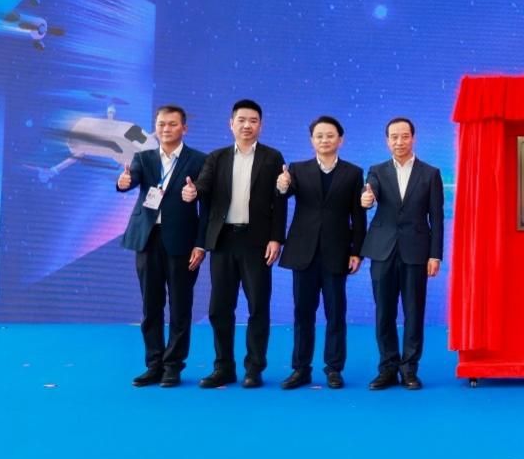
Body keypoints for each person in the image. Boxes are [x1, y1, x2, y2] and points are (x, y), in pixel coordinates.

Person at [182, 99, 286, 389]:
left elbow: (279, 202)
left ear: (261, 125)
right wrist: (193, 191)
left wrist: (276, 238)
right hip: (224, 240)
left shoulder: (272, 157)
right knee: (219, 308)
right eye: (241, 120)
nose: (247, 125)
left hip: (257, 242)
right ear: (231, 124)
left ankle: (254, 369)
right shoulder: (217, 157)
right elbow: (203, 187)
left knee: (258, 307)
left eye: (253, 120)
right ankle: (223, 367)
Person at [116, 105, 207, 388]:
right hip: (147, 240)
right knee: (151, 306)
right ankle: (154, 364)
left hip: (182, 241)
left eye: (172, 124)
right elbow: (131, 180)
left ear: (184, 128)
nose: (166, 129)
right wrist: (123, 182)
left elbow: (208, 204)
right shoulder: (143, 158)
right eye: (161, 124)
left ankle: (173, 366)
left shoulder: (199, 160)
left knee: (180, 306)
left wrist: (201, 243)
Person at [275, 115, 367, 390]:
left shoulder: (353, 172)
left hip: (337, 252)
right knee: (303, 313)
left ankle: (334, 369)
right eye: (319, 136)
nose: (324, 140)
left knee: (335, 313)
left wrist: (357, 251)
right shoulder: (297, 169)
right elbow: (284, 194)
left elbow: (358, 215)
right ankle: (300, 368)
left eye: (330, 135)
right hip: (303, 252)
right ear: (311, 140)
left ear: (341, 140)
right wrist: (282, 186)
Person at [360, 117, 444, 390]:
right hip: (382, 251)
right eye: (394, 137)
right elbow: (370, 191)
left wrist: (435, 255)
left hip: (416, 252)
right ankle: (387, 367)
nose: (399, 142)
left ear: (413, 138)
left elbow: (436, 218)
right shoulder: (376, 171)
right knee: (384, 312)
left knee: (413, 311)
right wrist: (366, 199)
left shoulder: (430, 173)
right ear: (387, 141)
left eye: (404, 136)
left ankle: (409, 369)